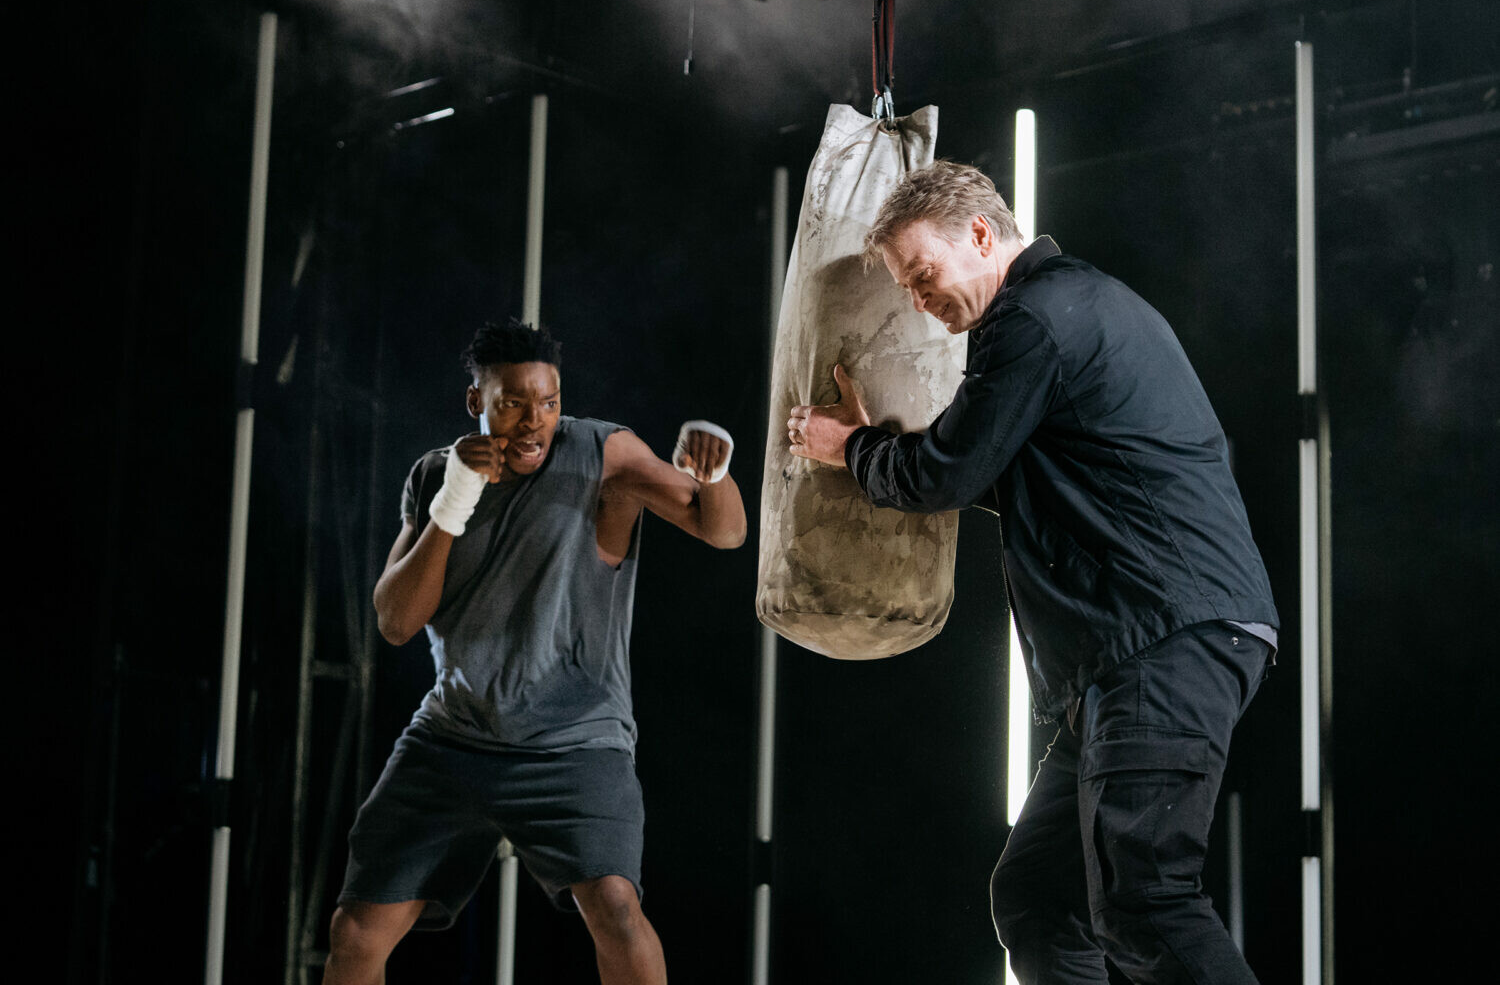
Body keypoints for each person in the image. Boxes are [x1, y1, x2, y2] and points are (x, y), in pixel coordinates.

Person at [787, 160, 1279, 984]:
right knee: (1036, 899)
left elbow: (945, 472)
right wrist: (890, 451)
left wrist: (853, 448)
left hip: (1164, 639)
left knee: (1146, 897)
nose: (918, 301)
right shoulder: (1070, 311)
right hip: (1136, 651)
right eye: (907, 287)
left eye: (925, 276)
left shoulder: (1035, 319)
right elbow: (992, 473)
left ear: (981, 234)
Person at [325, 319, 746, 985]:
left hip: (574, 743)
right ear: (476, 404)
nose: (533, 421)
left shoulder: (601, 454)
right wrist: (455, 499)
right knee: (354, 935)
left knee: (615, 907)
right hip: (453, 739)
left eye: (547, 402)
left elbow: (722, 531)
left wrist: (714, 471)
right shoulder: (436, 471)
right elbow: (397, 621)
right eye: (514, 402)